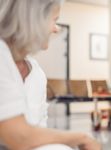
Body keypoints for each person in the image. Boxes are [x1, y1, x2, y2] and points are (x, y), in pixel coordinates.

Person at [0, 0, 101, 150]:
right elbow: (19, 137)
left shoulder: (37, 74)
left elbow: (38, 135)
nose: (56, 29)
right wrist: (82, 138)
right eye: (54, 20)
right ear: (32, 19)